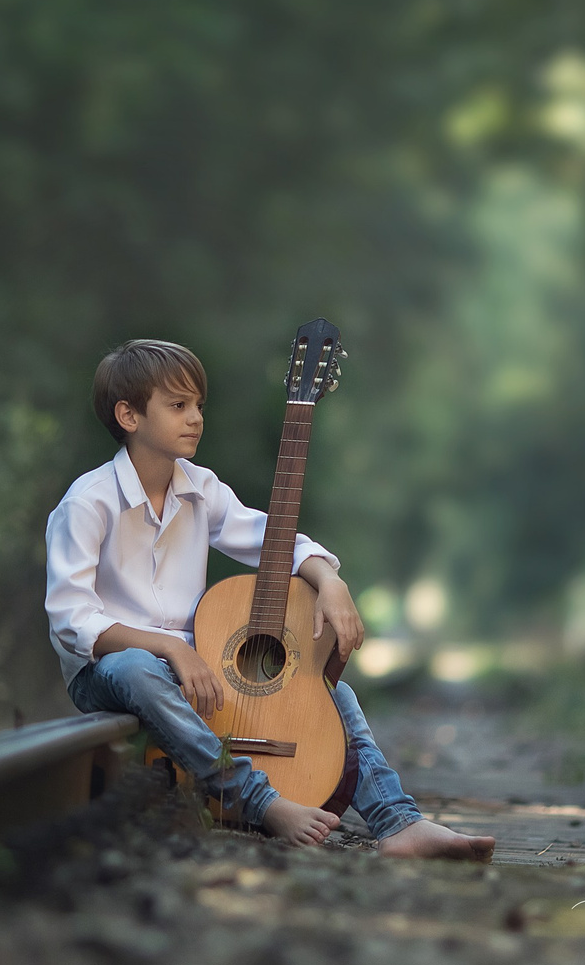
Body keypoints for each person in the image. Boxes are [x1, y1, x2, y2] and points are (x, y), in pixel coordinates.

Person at [45, 338, 494, 858]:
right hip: (112, 671)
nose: (196, 419)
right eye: (177, 406)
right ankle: (259, 802)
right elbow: (71, 619)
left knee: (329, 693)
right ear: (129, 415)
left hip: (193, 667)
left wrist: (330, 581)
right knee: (137, 668)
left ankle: (399, 822)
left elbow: (274, 540)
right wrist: (171, 648)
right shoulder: (88, 503)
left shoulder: (200, 488)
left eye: (198, 406)